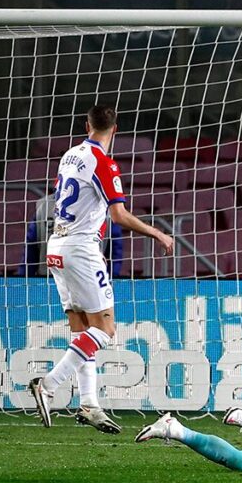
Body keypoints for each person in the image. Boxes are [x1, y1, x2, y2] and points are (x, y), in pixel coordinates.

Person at [29, 104, 174, 434]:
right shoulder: (104, 163)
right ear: (116, 129)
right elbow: (118, 214)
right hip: (79, 249)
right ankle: (48, 385)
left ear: (87, 125)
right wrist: (157, 233)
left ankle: (89, 404)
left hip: (58, 246)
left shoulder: (68, 155)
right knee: (106, 331)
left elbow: (79, 203)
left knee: (82, 331)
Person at [17, 191, 125, 277]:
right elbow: (30, 251)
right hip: (51, 279)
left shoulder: (105, 209)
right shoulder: (44, 207)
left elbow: (115, 252)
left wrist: (111, 279)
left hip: (87, 280)